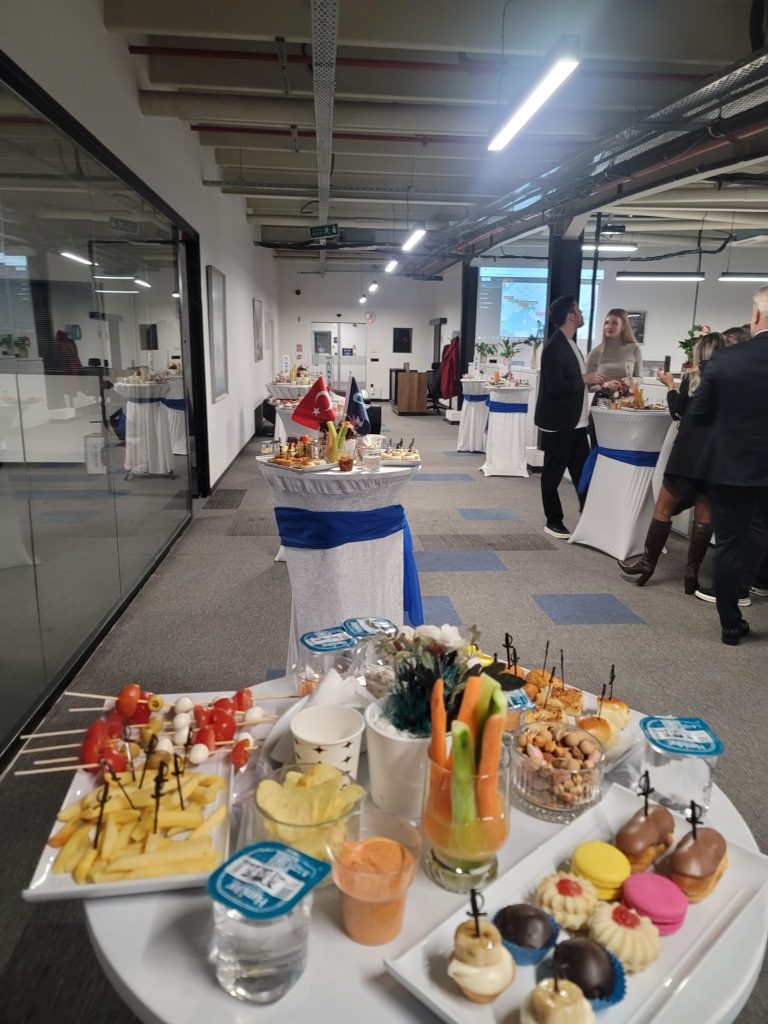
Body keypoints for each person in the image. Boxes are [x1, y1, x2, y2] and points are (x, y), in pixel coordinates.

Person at [685, 286, 768, 645]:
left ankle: (730, 624)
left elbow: (698, 413)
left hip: (729, 465)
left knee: (729, 543)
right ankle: (750, 584)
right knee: (760, 531)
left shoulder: (727, 359)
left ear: (756, 316)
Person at [618, 332, 728, 590]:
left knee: (663, 509)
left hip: (687, 452)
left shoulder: (694, 379)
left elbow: (677, 411)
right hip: (715, 454)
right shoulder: (731, 382)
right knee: (704, 515)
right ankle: (691, 576)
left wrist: (670, 386)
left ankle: (647, 563)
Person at [534, 295, 604, 538]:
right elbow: (556, 386)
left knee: (582, 473)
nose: (582, 314)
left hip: (576, 423)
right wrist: (585, 378)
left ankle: (590, 519)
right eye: (579, 310)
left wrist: (599, 384)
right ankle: (553, 520)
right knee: (552, 474)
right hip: (559, 423)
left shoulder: (571, 344)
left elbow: (575, 384)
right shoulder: (553, 347)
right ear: (570, 315)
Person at [585, 309, 642, 381]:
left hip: (627, 388)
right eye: (606, 323)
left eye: (614, 323)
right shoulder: (595, 352)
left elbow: (640, 379)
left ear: (623, 326)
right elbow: (587, 383)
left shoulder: (634, 348)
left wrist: (631, 380)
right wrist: (604, 385)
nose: (609, 326)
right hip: (602, 389)